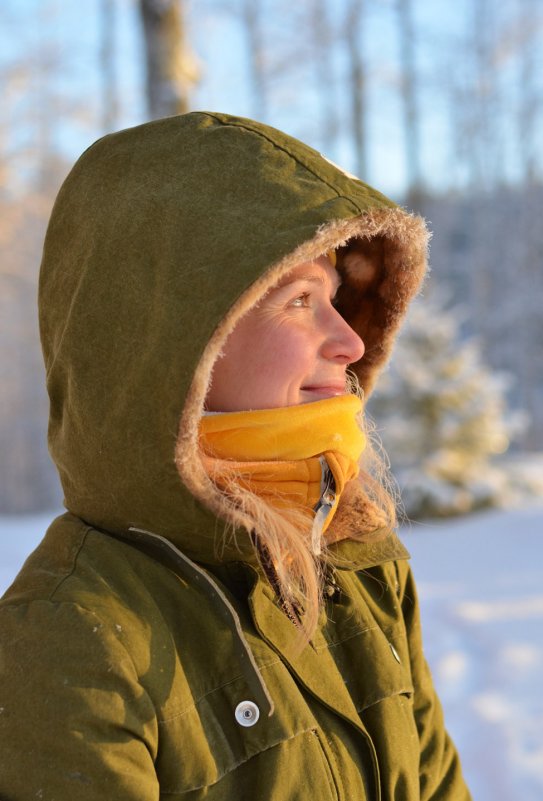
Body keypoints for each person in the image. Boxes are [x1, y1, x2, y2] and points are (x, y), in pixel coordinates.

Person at [0, 112, 471, 800]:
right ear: (174, 342)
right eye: (300, 300)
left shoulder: (363, 564)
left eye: (336, 299)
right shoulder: (69, 636)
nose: (349, 343)